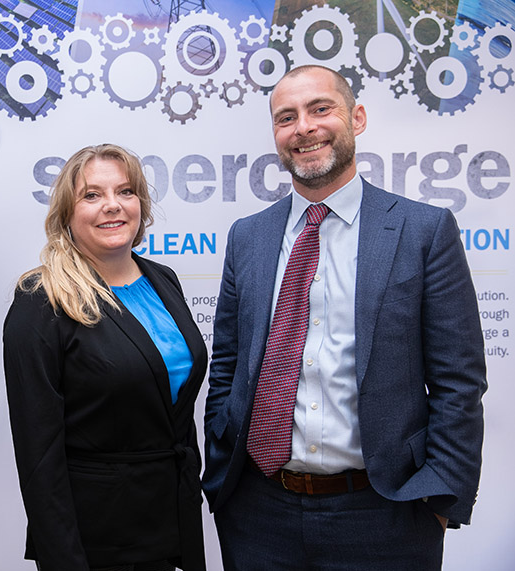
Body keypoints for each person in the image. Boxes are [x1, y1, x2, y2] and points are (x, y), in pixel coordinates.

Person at [202, 64, 486, 570]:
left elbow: (458, 381)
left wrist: (439, 498)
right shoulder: (248, 237)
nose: (303, 128)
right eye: (285, 117)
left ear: (356, 117)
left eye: (320, 109)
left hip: (385, 516)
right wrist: (222, 470)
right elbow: (227, 365)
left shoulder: (423, 231)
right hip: (259, 514)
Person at [3, 144, 207, 571]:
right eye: (91, 195)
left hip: (173, 522)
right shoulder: (41, 300)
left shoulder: (162, 279)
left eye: (126, 191)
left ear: (141, 204)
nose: (112, 206)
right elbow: (38, 453)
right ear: (67, 213)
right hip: (97, 540)